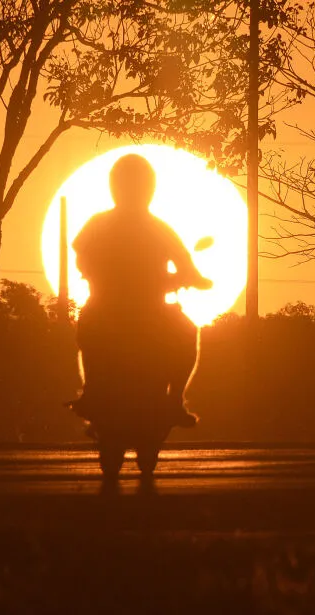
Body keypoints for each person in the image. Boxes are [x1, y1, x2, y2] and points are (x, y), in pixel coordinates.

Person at [71, 153, 211, 428]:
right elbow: (189, 269)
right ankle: (173, 401)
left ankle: (94, 393)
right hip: (140, 309)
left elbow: (80, 257)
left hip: (116, 308)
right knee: (185, 331)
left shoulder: (100, 224)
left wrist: (193, 278)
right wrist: (195, 280)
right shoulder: (156, 228)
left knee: (90, 326)